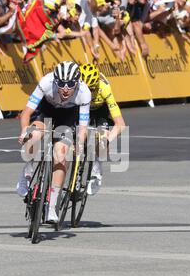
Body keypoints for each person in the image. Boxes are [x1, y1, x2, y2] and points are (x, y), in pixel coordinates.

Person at [17, 61, 91, 223]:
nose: (65, 88)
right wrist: (24, 131)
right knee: (33, 136)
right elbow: (26, 113)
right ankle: (26, 174)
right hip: (46, 110)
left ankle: (52, 207)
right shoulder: (46, 82)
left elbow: (83, 128)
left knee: (61, 156)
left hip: (67, 116)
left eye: (70, 84)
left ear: (77, 82)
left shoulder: (84, 93)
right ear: (55, 80)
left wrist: (79, 144)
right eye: (61, 83)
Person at [79, 63, 126, 195]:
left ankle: (97, 173)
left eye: (91, 89)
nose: (89, 92)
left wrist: (107, 140)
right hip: (82, 108)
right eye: (85, 89)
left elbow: (120, 124)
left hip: (100, 109)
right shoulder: (76, 88)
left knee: (101, 141)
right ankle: (76, 171)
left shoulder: (104, 88)